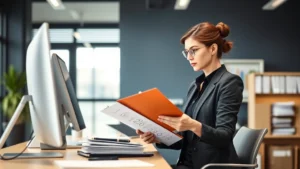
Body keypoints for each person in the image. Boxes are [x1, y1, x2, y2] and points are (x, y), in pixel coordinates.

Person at [136, 22, 244, 169]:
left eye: (194, 50)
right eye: (186, 52)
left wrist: (192, 125)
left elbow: (224, 137)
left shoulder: (229, 82)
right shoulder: (195, 85)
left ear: (213, 48)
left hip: (210, 166)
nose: (189, 57)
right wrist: (158, 138)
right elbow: (186, 140)